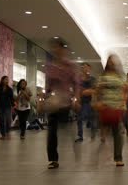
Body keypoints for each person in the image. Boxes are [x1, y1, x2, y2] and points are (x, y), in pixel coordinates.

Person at [44, 38, 81, 169]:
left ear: (63, 49)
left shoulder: (70, 65)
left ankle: (76, 147)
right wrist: (45, 98)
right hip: (54, 103)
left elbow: (76, 84)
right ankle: (53, 159)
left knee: (67, 129)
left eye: (58, 48)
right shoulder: (50, 66)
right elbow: (48, 86)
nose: (56, 50)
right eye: (54, 48)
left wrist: (76, 99)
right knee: (52, 132)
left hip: (66, 102)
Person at [95, 55, 128, 167]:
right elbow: (98, 90)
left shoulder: (119, 76)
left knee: (117, 133)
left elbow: (124, 89)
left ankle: (118, 158)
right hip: (105, 106)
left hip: (116, 107)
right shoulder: (103, 76)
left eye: (113, 61)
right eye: (109, 61)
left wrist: (123, 102)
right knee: (104, 129)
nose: (111, 63)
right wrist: (96, 102)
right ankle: (97, 155)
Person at [75, 63, 97, 142]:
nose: (85, 69)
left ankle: (93, 132)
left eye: (87, 67)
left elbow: (95, 90)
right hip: (82, 101)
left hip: (90, 100)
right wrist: (77, 101)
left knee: (92, 118)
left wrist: (93, 100)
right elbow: (77, 90)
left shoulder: (92, 79)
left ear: (89, 69)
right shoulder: (79, 79)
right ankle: (80, 136)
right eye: (84, 67)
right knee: (79, 119)